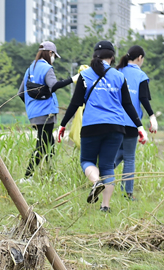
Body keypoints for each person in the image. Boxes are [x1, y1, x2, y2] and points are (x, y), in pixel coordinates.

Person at [57, 40, 147, 213]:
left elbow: (75, 103)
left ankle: (96, 182)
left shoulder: (85, 75)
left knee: (87, 161)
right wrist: (140, 127)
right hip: (116, 128)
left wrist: (62, 125)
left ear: (95, 56)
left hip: (93, 126)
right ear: (112, 57)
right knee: (107, 166)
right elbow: (128, 105)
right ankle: (105, 206)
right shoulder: (119, 76)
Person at [18, 41, 74, 182]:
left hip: (35, 114)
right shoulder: (47, 68)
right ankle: (27, 176)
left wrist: (32, 107)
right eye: (54, 55)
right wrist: (72, 80)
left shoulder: (30, 68)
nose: (54, 58)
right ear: (50, 53)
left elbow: (20, 93)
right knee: (42, 145)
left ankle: (49, 173)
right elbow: (54, 86)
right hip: (46, 113)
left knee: (50, 142)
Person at [114, 45, 158, 201]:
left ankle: (100, 173)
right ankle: (127, 194)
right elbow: (143, 99)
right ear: (140, 58)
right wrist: (152, 117)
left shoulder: (118, 72)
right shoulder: (141, 76)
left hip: (115, 121)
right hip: (132, 122)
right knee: (129, 158)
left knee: (119, 153)